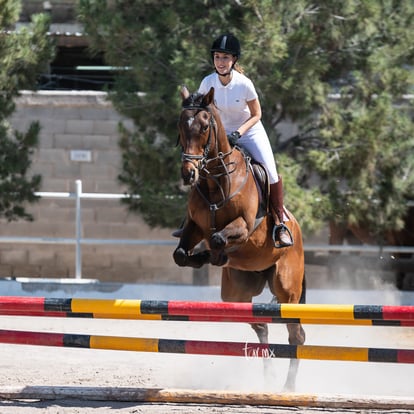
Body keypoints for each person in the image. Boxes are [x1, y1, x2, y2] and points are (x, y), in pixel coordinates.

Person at [175, 33, 293, 247]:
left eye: (225, 58)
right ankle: (190, 220)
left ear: (234, 60)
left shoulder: (244, 84)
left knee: (271, 171)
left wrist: (239, 132)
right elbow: (200, 110)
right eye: (218, 57)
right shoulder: (207, 82)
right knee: (201, 168)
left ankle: (279, 222)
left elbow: (257, 114)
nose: (221, 62)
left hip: (249, 131)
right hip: (219, 133)